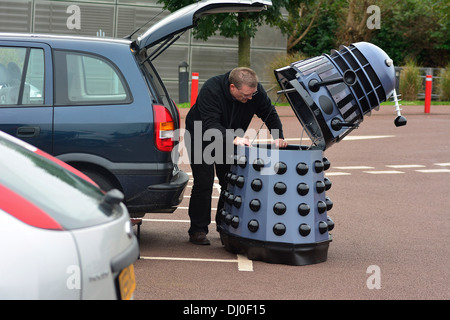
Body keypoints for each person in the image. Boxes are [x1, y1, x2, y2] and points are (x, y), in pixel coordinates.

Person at [184, 67, 288, 245]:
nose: (249, 99)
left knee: (230, 181)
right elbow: (211, 126)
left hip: (232, 138)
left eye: (252, 95)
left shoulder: (255, 92)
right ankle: (198, 230)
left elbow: (269, 112)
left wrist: (278, 136)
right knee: (204, 182)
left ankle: (224, 225)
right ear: (232, 87)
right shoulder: (212, 90)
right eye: (245, 95)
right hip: (201, 136)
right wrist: (235, 138)